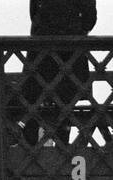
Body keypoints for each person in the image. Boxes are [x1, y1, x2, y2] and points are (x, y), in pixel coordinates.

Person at [21, 0, 98, 147]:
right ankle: (61, 147)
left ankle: (31, 149)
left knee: (33, 102)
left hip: (41, 47)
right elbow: (89, 20)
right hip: (71, 50)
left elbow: (34, 12)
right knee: (66, 105)